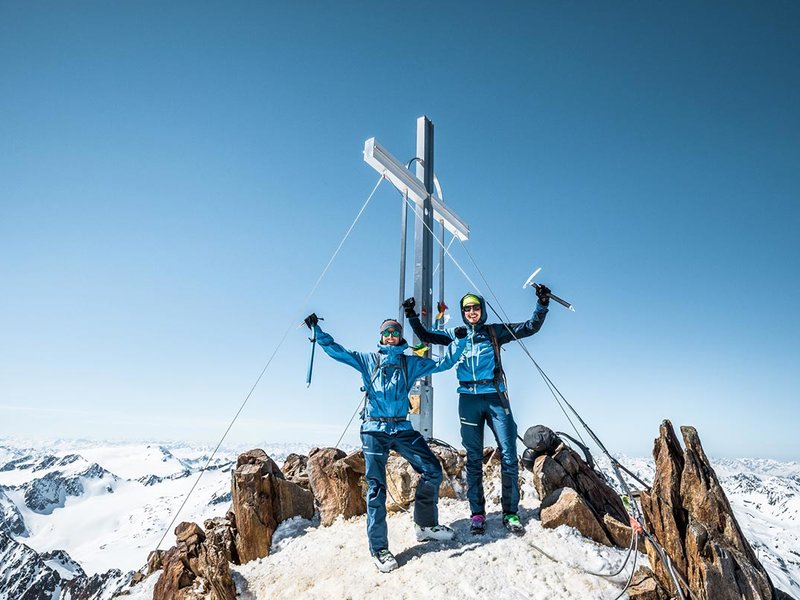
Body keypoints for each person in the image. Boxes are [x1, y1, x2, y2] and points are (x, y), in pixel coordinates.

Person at [304, 313, 468, 572]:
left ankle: (425, 525)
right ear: (381, 337)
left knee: (432, 470)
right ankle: (379, 548)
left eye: (394, 333)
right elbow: (338, 351)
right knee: (376, 489)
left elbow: (444, 364)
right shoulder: (369, 360)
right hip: (374, 429)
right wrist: (317, 331)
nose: (391, 336)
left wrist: (458, 342)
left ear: (400, 337)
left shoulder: (410, 363)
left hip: (402, 428)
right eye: (386, 333)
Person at [403, 287, 550, 535]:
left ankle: (510, 512)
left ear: (482, 309)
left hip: (495, 397)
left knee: (508, 454)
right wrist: (410, 314)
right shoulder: (456, 334)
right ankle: (478, 514)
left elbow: (530, 327)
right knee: (473, 458)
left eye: (475, 307)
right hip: (468, 400)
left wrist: (542, 304)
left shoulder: (494, 332)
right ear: (463, 312)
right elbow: (425, 335)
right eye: (467, 309)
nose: (472, 312)